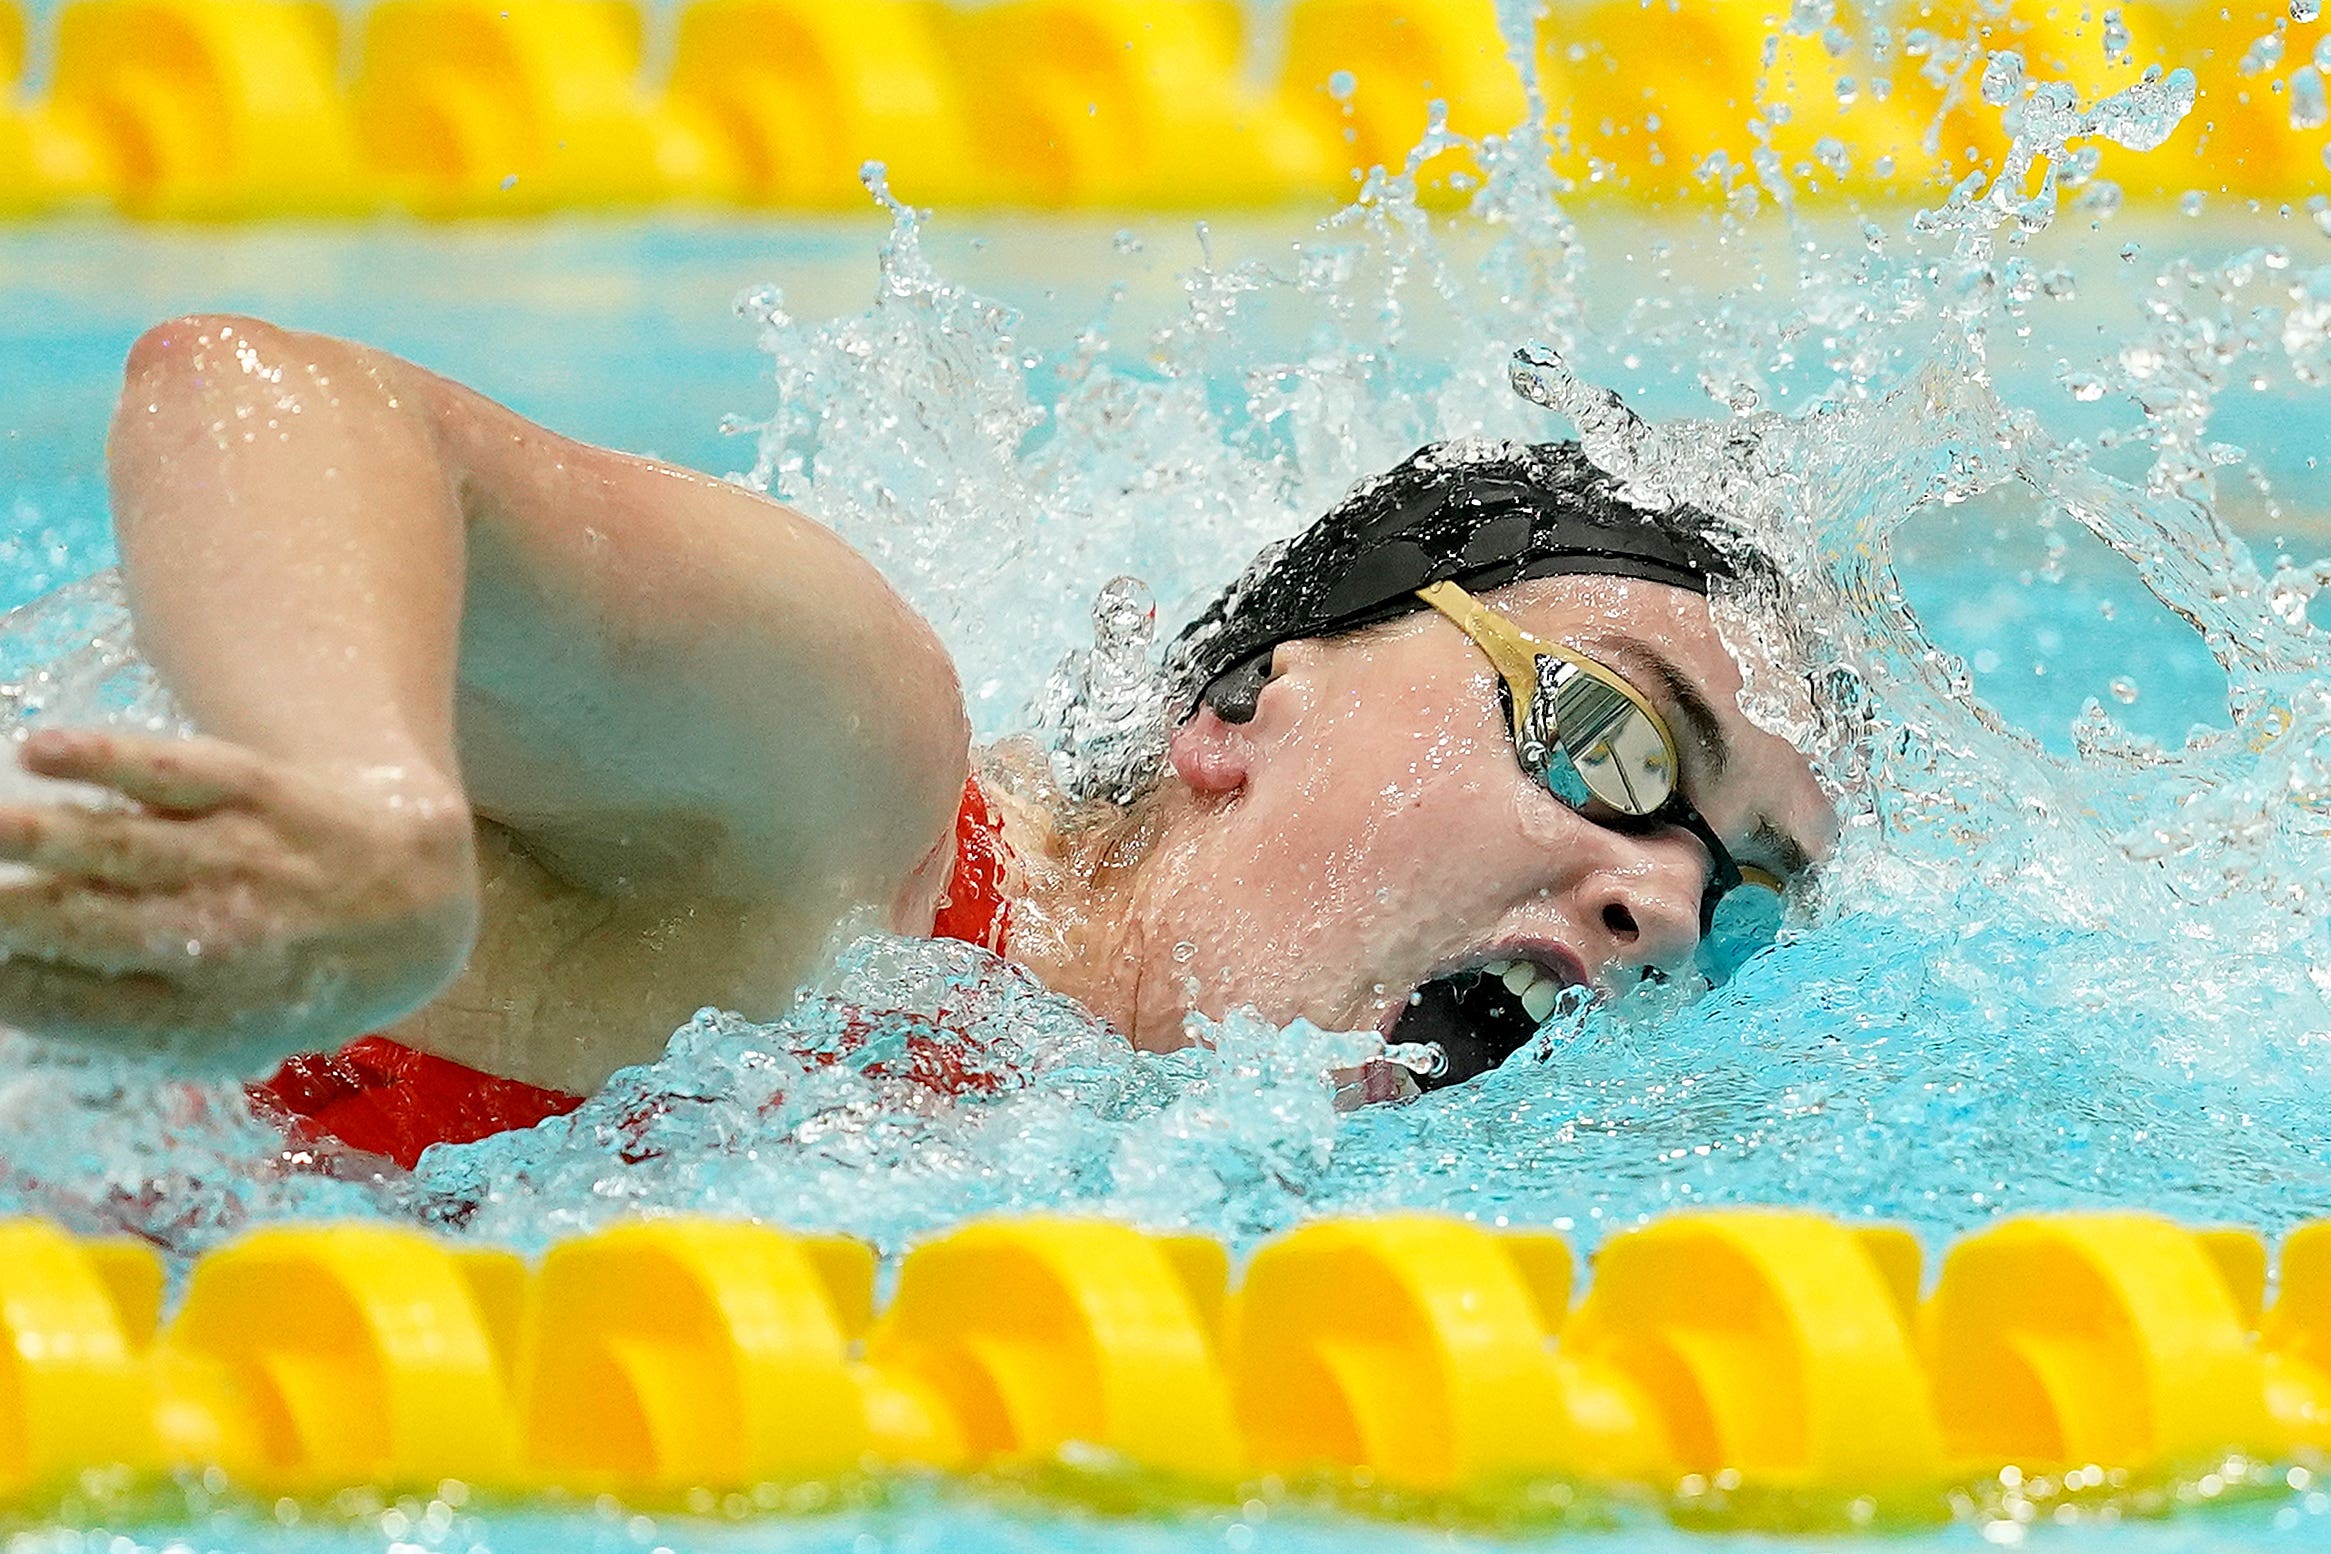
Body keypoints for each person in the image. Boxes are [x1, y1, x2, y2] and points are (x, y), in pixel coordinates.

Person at [0, 314, 1834, 1166]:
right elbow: (265, 397)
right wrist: (360, 814)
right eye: (1604, 738)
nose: (1666, 905)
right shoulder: (852, 818)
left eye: (1739, 893)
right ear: (1238, 701)